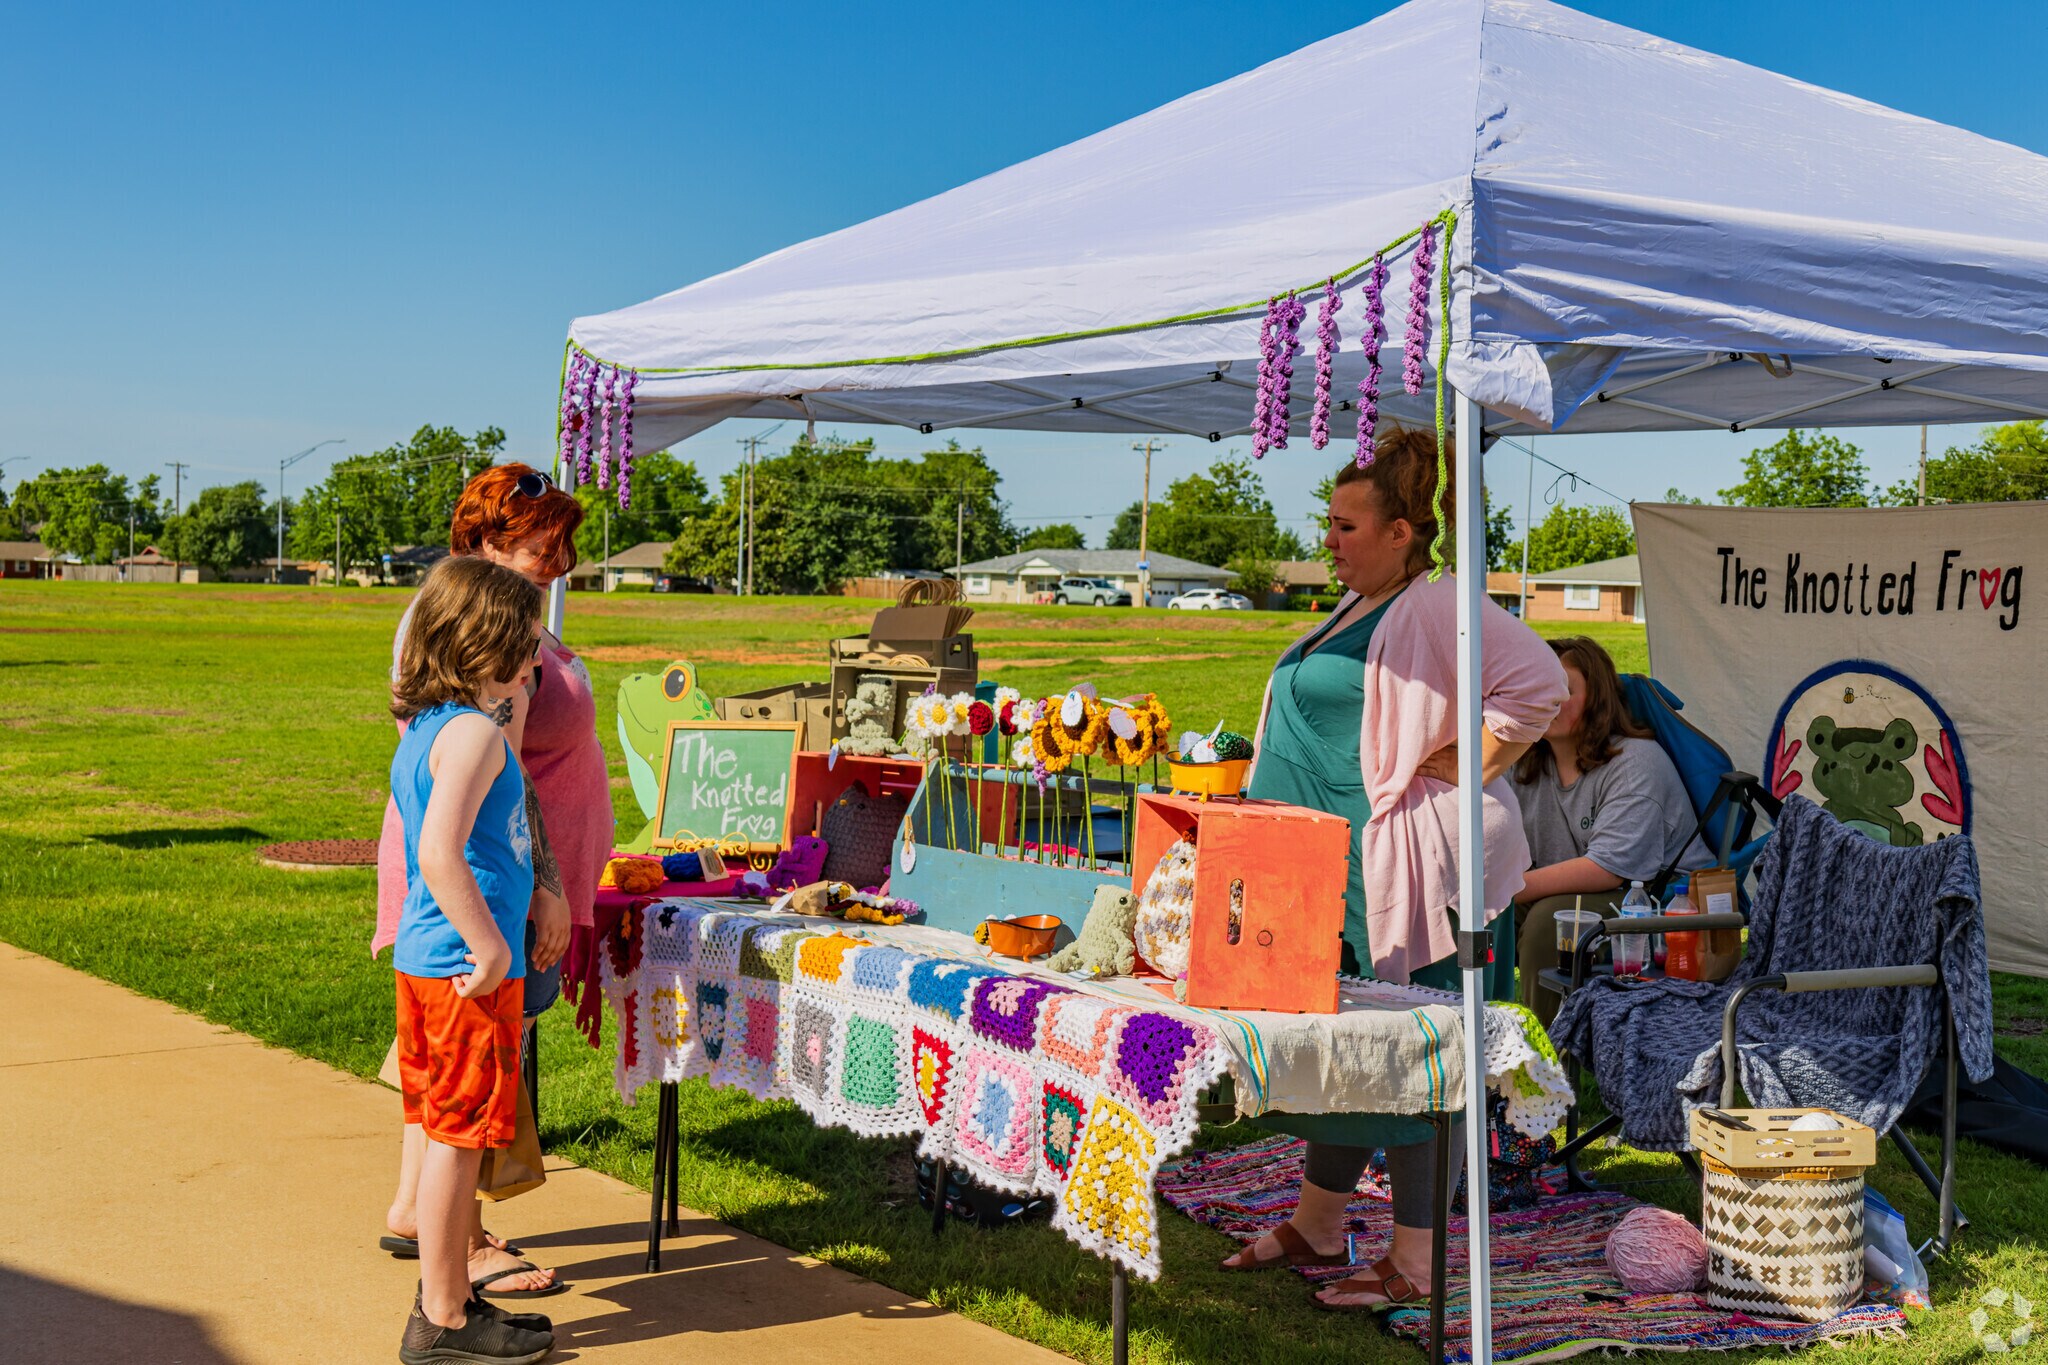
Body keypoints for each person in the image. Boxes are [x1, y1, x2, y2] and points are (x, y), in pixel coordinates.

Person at [1221, 430, 1567, 1310]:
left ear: (1403, 532)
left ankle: (1416, 1260)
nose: (1328, 540)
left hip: (1409, 869)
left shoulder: (1437, 601)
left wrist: (1464, 760)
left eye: (1345, 525)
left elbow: (1541, 684)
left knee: (1421, 1055)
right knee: (1351, 1051)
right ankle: (1322, 1220)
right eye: (1327, 523)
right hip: (1330, 867)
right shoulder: (1353, 606)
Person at [374, 463, 612, 1295]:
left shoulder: (463, 649)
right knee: (463, 1113)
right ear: (484, 544)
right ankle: (452, 1281)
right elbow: (469, 809)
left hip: (462, 920)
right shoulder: (480, 694)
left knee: (445, 1096)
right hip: (478, 921)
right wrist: (518, 910)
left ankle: (431, 1232)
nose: (559, 561)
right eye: (542, 542)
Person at [388, 556, 554, 1363]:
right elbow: (439, 851)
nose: (533, 661)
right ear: (482, 641)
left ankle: (448, 1298)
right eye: (525, 644)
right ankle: (445, 1314)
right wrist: (492, 944)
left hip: (429, 964)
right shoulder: (473, 735)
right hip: (465, 967)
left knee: (442, 1127)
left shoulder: (432, 727)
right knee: (459, 1138)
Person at [1510, 636, 1712, 1022]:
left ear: (1597, 699)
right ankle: (1475, 1040)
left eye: (1563, 688)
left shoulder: (1636, 762)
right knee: (1470, 916)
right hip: (1567, 889)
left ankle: (1547, 1061)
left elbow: (1607, 867)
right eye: (1537, 685)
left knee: (1546, 925)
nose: (1546, 697)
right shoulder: (1524, 762)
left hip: (1654, 902)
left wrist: (1503, 889)